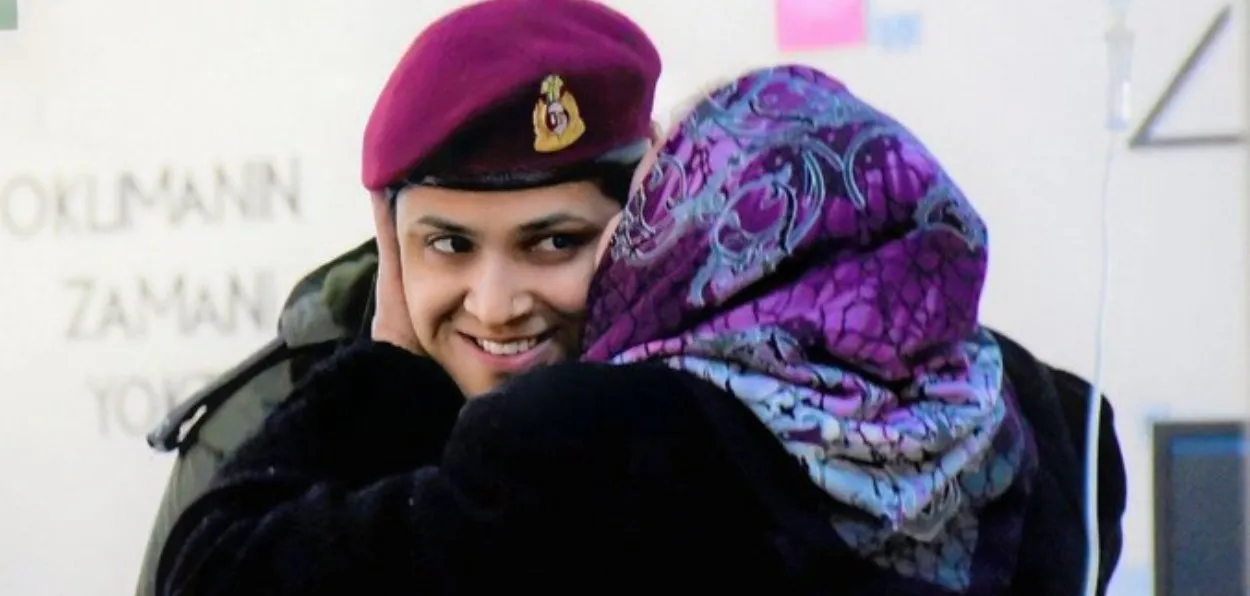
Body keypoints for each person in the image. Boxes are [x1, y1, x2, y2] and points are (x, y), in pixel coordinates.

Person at [155, 64, 1126, 595]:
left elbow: (215, 575)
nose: (495, 302)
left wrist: (388, 362)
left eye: (665, 194)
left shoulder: (605, 440)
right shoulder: (1052, 423)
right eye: (447, 244)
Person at [134, 0, 660, 593]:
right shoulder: (260, 422)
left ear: (647, 213)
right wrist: (376, 396)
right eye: (449, 245)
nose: (495, 306)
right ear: (389, 235)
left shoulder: (722, 401)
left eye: (555, 242)